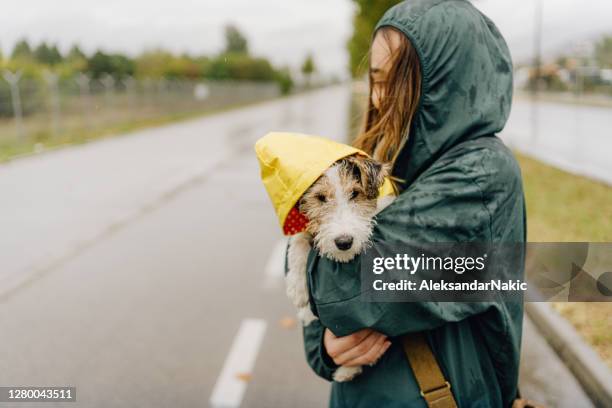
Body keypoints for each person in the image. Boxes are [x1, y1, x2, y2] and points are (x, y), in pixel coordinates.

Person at [300, 0, 526, 406]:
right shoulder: (382, 159)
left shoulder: (481, 175)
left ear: (445, 83)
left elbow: (343, 287)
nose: (381, 98)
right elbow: (315, 250)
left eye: (397, 80)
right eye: (375, 79)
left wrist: (321, 291)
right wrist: (325, 348)